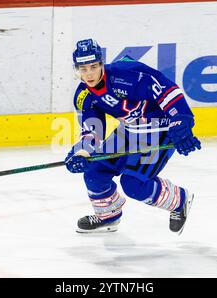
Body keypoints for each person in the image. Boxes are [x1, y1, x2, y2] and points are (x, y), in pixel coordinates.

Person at [65, 39, 201, 234]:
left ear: (101, 63)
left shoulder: (126, 76)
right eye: (84, 69)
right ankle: (108, 215)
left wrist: (180, 124)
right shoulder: (84, 95)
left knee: (134, 185)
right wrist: (82, 152)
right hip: (129, 130)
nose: (89, 74)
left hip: (159, 130)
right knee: (94, 172)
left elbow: (167, 91)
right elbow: (93, 128)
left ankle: (179, 200)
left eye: (93, 67)